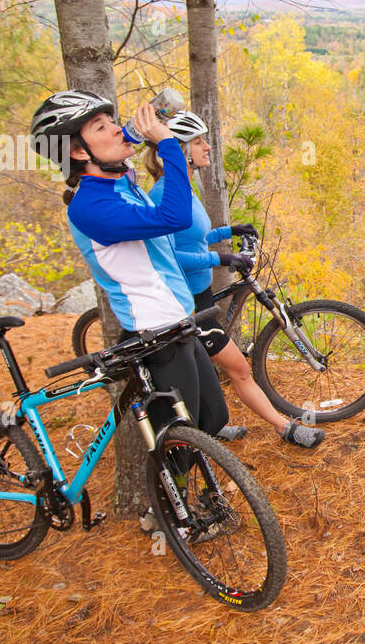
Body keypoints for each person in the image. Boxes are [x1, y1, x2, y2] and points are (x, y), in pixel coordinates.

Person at [30, 89, 232, 452]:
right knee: (178, 441)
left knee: (214, 418)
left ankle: (189, 491)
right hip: (152, 330)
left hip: (177, 320)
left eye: (112, 122)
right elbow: (173, 216)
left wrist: (138, 135)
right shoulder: (90, 206)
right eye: (100, 127)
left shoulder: (119, 182)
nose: (115, 130)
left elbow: (166, 236)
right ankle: (168, 509)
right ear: (78, 151)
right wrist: (168, 142)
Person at [143, 110, 325, 449]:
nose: (208, 147)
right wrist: (222, 258)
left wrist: (230, 230)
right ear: (181, 150)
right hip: (186, 305)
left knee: (207, 374)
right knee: (239, 369)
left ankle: (209, 426)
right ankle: (285, 427)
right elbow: (168, 255)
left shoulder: (183, 187)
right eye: (199, 142)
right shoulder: (162, 194)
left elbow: (191, 238)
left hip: (200, 296)